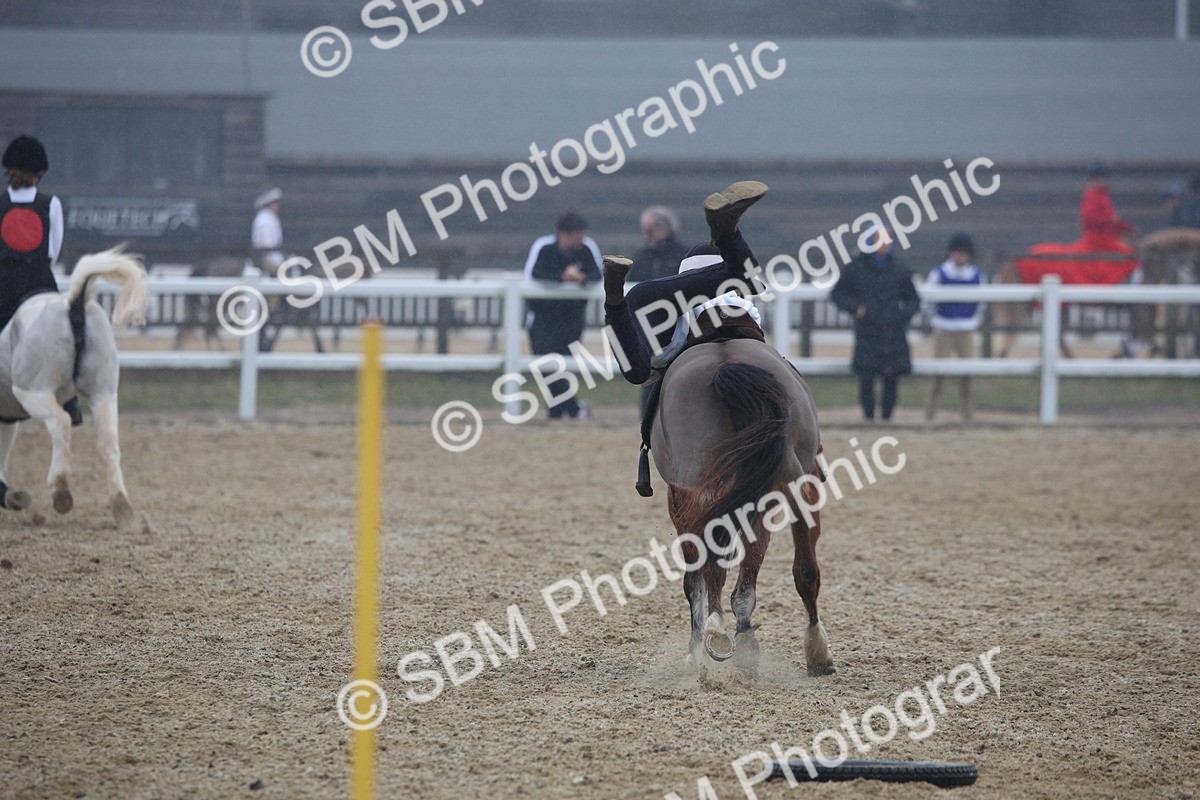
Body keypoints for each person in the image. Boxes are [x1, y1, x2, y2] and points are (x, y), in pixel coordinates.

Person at [601, 181, 769, 387]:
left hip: (649, 302)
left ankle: (613, 297)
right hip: (665, 308)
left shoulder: (693, 292)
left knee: (637, 372)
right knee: (637, 372)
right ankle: (727, 230)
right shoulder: (746, 307)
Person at [0, 135, 82, 426]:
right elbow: (53, 250)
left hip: (4, 282)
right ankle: (70, 399)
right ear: (40, 173)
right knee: (69, 334)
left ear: (9, 170)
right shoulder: (51, 204)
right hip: (38, 280)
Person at [830, 226, 920, 423]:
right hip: (867, 332)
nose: (884, 244)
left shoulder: (900, 270)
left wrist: (901, 316)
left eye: (887, 240)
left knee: (892, 378)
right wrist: (856, 308)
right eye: (879, 239)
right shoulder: (856, 268)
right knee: (867, 377)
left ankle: (887, 418)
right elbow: (838, 294)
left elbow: (913, 299)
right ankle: (869, 419)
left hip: (893, 333)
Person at [524, 212, 602, 420]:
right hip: (543, 319)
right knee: (546, 367)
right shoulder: (544, 249)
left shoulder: (586, 250)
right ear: (564, 234)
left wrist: (581, 278)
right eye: (578, 235)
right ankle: (573, 410)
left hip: (571, 321)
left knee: (563, 367)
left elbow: (596, 275)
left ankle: (559, 412)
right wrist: (563, 277)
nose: (581, 240)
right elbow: (534, 274)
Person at [923, 233, 985, 422]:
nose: (960, 257)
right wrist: (935, 320)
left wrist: (972, 321)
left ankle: (968, 416)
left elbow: (981, 302)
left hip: (965, 329)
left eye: (963, 253)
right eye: (957, 253)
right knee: (938, 375)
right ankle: (930, 415)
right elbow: (928, 302)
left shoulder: (976, 276)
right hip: (943, 329)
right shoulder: (939, 274)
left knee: (968, 375)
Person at [632, 206, 689, 282]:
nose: (647, 235)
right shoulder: (642, 257)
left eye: (651, 230)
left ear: (666, 229)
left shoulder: (683, 255)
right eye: (645, 231)